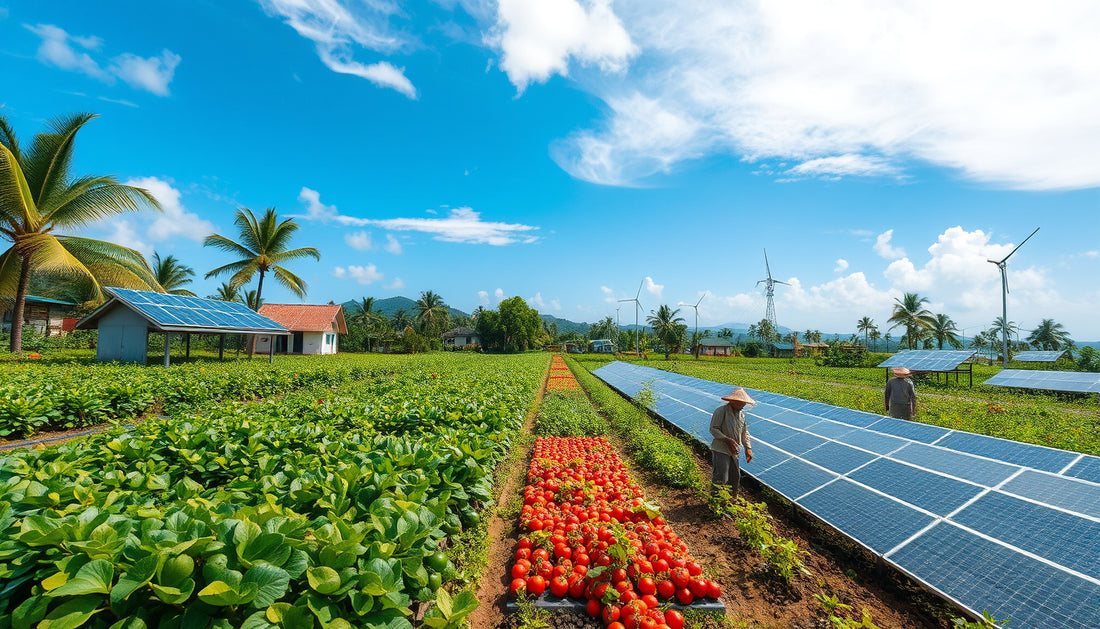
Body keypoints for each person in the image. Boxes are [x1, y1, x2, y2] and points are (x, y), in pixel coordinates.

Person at [709, 387, 754, 497]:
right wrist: (726, 439)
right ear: (732, 401)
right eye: (739, 403)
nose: (741, 406)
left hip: (734, 450)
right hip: (721, 448)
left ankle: (731, 500)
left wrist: (748, 448)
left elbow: (744, 433)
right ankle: (716, 501)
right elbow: (713, 429)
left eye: (743, 404)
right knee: (721, 477)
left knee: (735, 476)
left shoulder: (741, 415)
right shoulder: (721, 411)